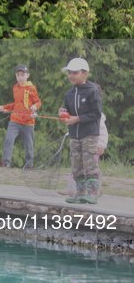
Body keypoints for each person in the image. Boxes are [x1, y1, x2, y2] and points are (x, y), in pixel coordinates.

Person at [58, 58, 103, 204]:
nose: (71, 75)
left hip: (89, 134)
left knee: (89, 164)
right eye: (69, 73)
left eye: (75, 73)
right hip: (74, 135)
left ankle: (92, 194)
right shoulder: (68, 94)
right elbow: (68, 112)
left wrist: (77, 119)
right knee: (76, 166)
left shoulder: (92, 91)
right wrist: (63, 113)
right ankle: (80, 194)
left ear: (85, 74)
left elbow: (96, 113)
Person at [0, 64, 42, 168]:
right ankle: (6, 163)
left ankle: (29, 165)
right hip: (15, 119)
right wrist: (4, 107)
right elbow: (16, 104)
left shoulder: (31, 88)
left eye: (22, 75)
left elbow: (38, 102)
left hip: (28, 121)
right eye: (18, 75)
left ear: (28, 75)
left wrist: (34, 107)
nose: (20, 77)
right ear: (15, 76)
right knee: (9, 139)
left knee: (29, 145)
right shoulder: (15, 88)